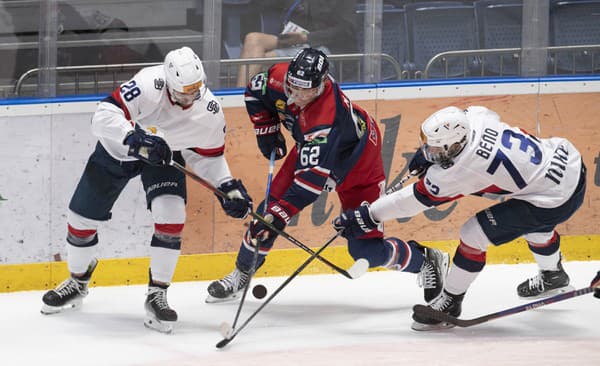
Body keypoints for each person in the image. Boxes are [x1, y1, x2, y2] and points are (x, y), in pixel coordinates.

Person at [206, 48, 449, 304]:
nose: (296, 96)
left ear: (321, 84)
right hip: (313, 152)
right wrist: (265, 128)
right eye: (293, 87)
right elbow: (255, 92)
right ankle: (242, 273)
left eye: (305, 91)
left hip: (360, 168)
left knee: (366, 251)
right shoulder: (280, 78)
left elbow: (308, 187)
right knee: (268, 211)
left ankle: (426, 261)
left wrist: (281, 215)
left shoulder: (324, 118)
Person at [40, 46, 253, 334]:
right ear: (167, 83)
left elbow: (207, 156)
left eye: (195, 91)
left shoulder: (209, 111)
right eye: (182, 93)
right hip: (118, 151)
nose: (189, 99)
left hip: (164, 158)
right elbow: (101, 116)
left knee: (172, 216)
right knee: (80, 218)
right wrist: (133, 138)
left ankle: (158, 294)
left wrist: (226, 186)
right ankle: (78, 282)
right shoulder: (147, 84)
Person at [333, 106, 587, 331]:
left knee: (473, 234)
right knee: (535, 226)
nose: (427, 150)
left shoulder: (462, 168)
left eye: (433, 147)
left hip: (554, 197)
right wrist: (433, 155)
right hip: (568, 162)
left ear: (454, 145)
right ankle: (553, 275)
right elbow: (489, 115)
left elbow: (413, 201)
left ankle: (450, 302)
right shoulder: (475, 118)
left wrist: (370, 214)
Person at [236, 0, 357, 86]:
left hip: (324, 48)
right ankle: (239, 99)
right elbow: (263, 4)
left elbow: (346, 29)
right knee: (253, 39)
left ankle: (243, 103)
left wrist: (306, 38)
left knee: (263, 60)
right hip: (294, 40)